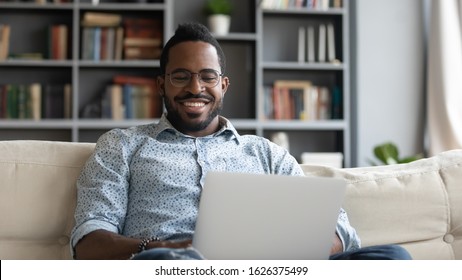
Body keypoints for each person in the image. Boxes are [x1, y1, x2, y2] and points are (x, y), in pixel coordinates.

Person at [70, 22, 411, 260]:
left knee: (392, 257)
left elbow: (339, 231)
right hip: (171, 265)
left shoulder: (265, 153)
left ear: (224, 85)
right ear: (161, 84)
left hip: (269, 267)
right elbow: (88, 244)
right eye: (180, 77)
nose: (196, 88)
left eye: (208, 77)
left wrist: (275, 250)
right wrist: (167, 247)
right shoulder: (122, 146)